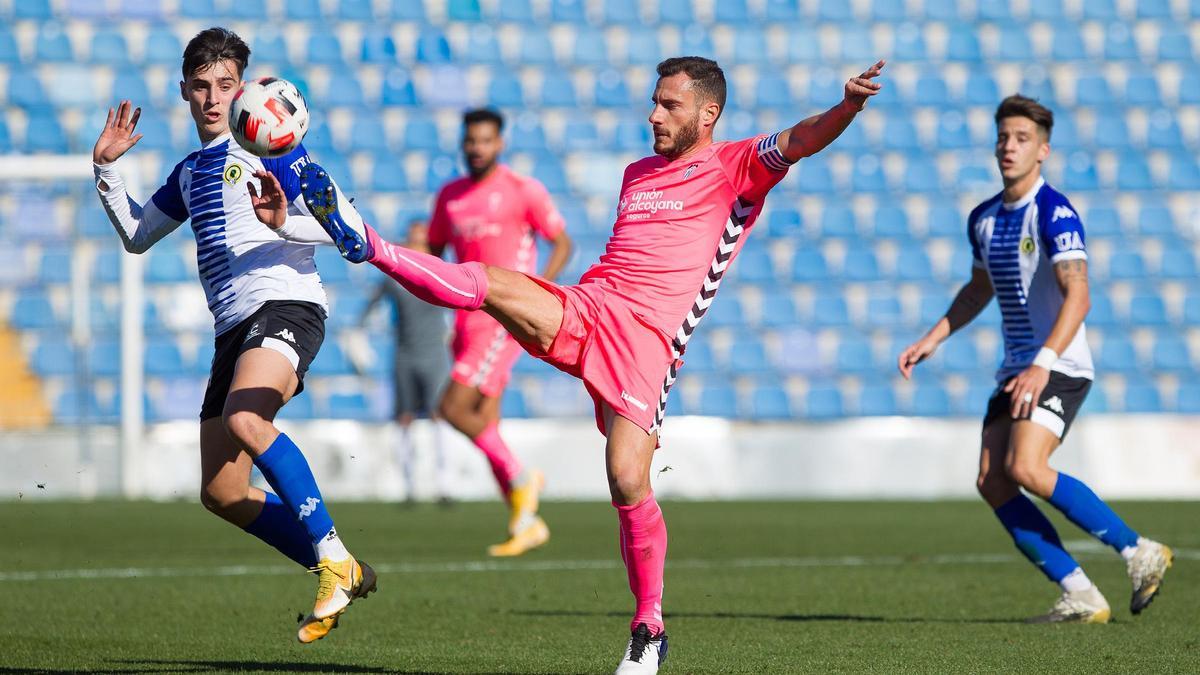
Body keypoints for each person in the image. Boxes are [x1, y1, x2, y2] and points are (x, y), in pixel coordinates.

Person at [261, 56, 884, 674]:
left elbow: (803, 139)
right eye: (654, 100)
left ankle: (649, 627)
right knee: (486, 282)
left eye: (669, 105)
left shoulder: (736, 165)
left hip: (647, 344)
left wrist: (847, 106)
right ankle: (361, 240)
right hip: (590, 307)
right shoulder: (637, 173)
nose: (653, 114)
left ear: (708, 112)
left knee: (626, 481)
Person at [91, 27, 374, 644]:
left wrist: (290, 221)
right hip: (232, 331)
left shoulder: (274, 149)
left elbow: (352, 234)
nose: (213, 98)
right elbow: (138, 235)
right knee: (221, 492)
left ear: (242, 88)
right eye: (201, 86)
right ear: (185, 92)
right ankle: (339, 563)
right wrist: (106, 172)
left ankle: (329, 558)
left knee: (249, 420)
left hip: (286, 306)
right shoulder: (191, 172)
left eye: (225, 85)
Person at [897, 95, 1172, 624]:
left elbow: (1079, 294)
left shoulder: (1055, 212)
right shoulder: (983, 218)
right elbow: (979, 289)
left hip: (1058, 364)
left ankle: (1139, 551)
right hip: (1019, 367)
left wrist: (1045, 360)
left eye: (1021, 139)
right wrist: (935, 337)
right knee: (992, 480)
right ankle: (1081, 594)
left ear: (1042, 150)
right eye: (1003, 137)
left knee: (1025, 466)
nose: (1009, 147)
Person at [427, 108, 574, 556]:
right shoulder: (450, 197)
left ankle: (521, 479)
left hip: (500, 316)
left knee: (453, 408)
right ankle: (525, 521)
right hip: (465, 321)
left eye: (486, 141)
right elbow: (435, 250)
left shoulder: (521, 191)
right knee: (485, 421)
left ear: (500, 144)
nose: (477, 148)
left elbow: (562, 241)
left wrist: (538, 289)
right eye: (471, 141)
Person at [360, 220, 454, 503]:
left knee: (440, 415)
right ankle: (409, 485)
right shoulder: (395, 276)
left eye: (422, 240)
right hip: (404, 354)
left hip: (435, 353)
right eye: (412, 239)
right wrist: (360, 336)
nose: (416, 245)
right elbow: (370, 308)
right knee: (404, 417)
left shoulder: (442, 271)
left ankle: (445, 486)